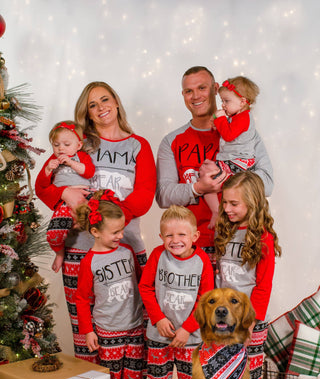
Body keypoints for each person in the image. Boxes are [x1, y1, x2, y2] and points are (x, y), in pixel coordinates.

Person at [35, 81, 156, 363]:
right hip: (80, 250)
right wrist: (65, 192)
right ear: (87, 113)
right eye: (92, 104)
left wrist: (105, 216)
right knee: (85, 329)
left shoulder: (138, 145)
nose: (101, 107)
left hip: (125, 246)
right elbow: (44, 186)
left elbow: (144, 196)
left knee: (134, 325)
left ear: (116, 101)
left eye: (105, 99)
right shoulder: (75, 142)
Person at [156, 66, 273, 262]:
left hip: (238, 246)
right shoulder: (172, 141)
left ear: (215, 89)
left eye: (202, 88)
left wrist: (225, 178)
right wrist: (197, 188)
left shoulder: (244, 135)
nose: (195, 96)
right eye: (188, 91)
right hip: (190, 249)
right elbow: (163, 196)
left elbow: (267, 184)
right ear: (183, 95)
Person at [139, 205, 214, 379]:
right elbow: (146, 287)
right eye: (169, 235)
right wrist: (158, 318)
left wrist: (187, 329)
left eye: (182, 235)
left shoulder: (202, 260)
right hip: (158, 338)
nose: (175, 240)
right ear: (161, 237)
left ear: (194, 236)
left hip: (190, 341)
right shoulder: (158, 255)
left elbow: (207, 299)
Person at [75, 190, 144, 379]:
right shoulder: (89, 262)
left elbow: (141, 284)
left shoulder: (127, 252)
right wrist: (88, 331)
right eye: (115, 232)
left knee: (134, 376)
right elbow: (81, 298)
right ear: (95, 232)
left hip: (135, 327)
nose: (121, 235)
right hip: (108, 331)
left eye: (122, 230)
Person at [214, 171, 282, 379]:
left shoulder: (263, 237)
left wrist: (249, 324)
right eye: (225, 203)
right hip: (222, 319)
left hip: (248, 321)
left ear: (252, 203)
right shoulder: (226, 229)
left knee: (248, 376)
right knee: (223, 373)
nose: (227, 209)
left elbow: (263, 286)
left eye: (234, 204)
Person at [201, 75, 260, 229]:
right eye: (222, 101)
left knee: (208, 174)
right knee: (206, 170)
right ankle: (216, 211)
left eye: (227, 101)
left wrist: (220, 119)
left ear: (242, 102)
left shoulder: (244, 118)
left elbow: (228, 135)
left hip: (239, 164)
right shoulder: (235, 117)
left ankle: (216, 212)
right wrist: (217, 119)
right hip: (231, 160)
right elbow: (224, 127)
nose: (223, 105)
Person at [41, 120, 95, 273]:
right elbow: (42, 185)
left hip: (85, 195)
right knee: (53, 234)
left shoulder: (81, 156)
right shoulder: (53, 161)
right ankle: (59, 253)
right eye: (56, 145)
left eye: (66, 144)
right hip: (64, 202)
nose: (61, 149)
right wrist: (47, 170)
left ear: (78, 145)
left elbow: (89, 172)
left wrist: (71, 163)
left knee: (101, 215)